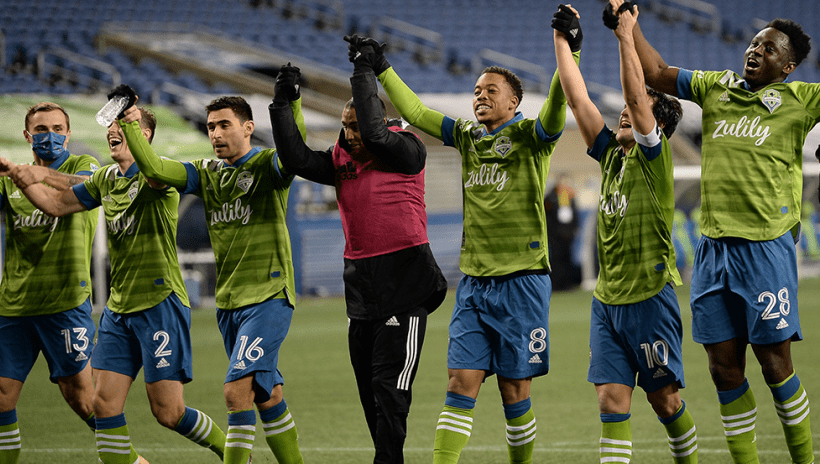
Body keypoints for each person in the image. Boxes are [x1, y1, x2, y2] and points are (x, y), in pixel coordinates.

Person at [345, 17, 580, 463]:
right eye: (476, 91)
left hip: (523, 282)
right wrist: (382, 67)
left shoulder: (533, 137)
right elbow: (414, 113)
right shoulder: (467, 137)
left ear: (514, 102)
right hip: (474, 284)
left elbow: (557, 101)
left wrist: (569, 48)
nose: (480, 96)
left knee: (515, 392)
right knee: (459, 382)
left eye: (491, 90)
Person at [620, 0, 817, 461]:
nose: (754, 51)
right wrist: (630, 27)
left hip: (766, 250)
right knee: (723, 369)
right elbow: (657, 72)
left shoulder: (802, 99)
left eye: (768, 49)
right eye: (753, 43)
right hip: (713, 252)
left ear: (786, 66)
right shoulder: (716, 87)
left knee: (775, 366)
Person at [7, 99, 227, 464]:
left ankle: (231, 451)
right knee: (103, 406)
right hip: (119, 310)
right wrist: (26, 176)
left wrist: (130, 123)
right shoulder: (107, 180)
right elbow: (58, 204)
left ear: (145, 136)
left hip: (160, 304)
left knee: (168, 413)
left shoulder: (162, 175)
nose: (115, 130)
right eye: (112, 128)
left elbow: (151, 169)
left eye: (125, 127)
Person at [269, 52, 448, 464]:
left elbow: (376, 132)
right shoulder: (340, 160)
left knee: (390, 386)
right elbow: (295, 157)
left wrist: (363, 71)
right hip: (361, 287)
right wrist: (285, 100)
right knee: (369, 388)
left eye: (356, 125)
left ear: (377, 120)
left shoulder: (406, 150)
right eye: (345, 127)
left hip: (405, 281)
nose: (351, 135)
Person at [119, 95, 306, 464]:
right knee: (269, 395)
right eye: (210, 127)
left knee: (236, 393)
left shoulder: (269, 165)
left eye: (224, 125)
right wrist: (129, 122)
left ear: (248, 128)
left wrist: (290, 105)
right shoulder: (206, 172)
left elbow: (296, 153)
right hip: (229, 303)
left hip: (268, 297)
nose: (216, 134)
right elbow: (155, 170)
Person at [554, 4, 697, 462]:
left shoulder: (655, 163)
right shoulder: (611, 156)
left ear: (656, 126)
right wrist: (563, 43)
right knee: (611, 403)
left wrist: (625, 33)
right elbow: (578, 102)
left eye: (636, 116)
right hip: (608, 303)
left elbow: (638, 100)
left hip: (650, 299)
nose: (622, 116)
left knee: (665, 402)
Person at [0, 102, 100, 464]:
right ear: (28, 136)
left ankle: (130, 459)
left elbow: (82, 191)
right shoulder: (7, 182)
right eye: (41, 130)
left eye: (58, 129)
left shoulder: (83, 166)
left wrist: (35, 177)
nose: (50, 136)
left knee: (82, 399)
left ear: (68, 134)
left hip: (64, 304)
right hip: (14, 306)